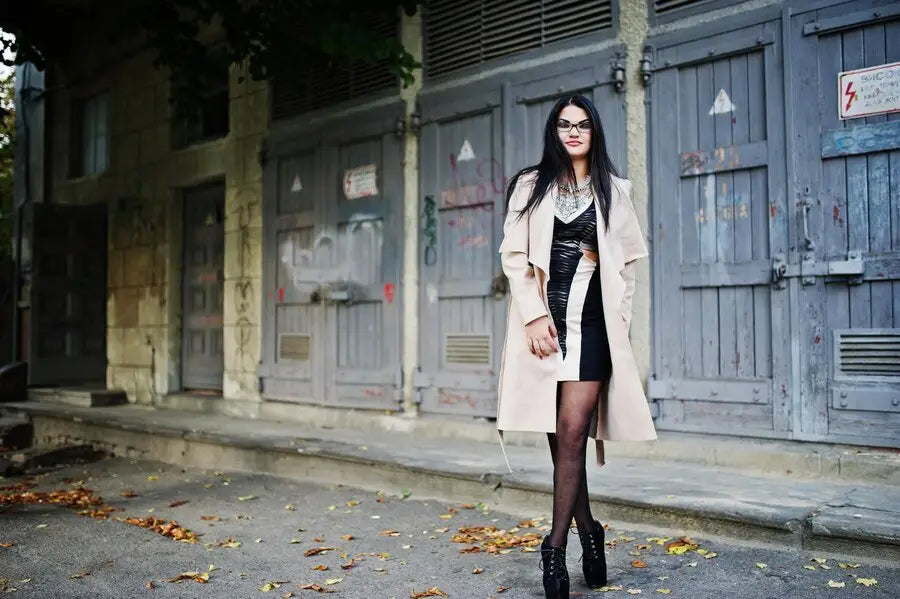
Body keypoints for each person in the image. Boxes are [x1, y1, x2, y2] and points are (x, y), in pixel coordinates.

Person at [496, 95, 657, 598]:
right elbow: (515, 258)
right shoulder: (531, 185)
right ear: (554, 131)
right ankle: (591, 531)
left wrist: (621, 323)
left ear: (594, 132)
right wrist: (534, 315)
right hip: (544, 327)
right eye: (564, 124)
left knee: (572, 431)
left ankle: (554, 546)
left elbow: (627, 267)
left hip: (593, 326)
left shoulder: (615, 190)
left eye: (582, 125)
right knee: (558, 434)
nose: (573, 132)